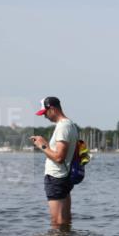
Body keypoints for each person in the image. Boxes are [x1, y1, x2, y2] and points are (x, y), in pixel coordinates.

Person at [30, 96, 78, 227]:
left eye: (45, 113)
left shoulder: (63, 127)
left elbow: (59, 157)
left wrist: (42, 145)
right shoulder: (70, 125)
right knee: (65, 220)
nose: (45, 116)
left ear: (52, 109)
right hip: (64, 176)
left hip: (56, 177)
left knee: (57, 222)